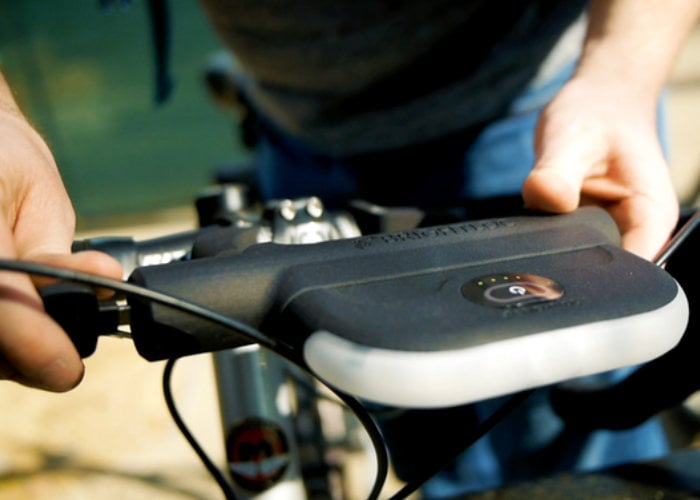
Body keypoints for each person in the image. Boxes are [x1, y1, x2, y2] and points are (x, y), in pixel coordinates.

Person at [0, 0, 698, 496]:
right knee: (418, 437)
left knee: (563, 450)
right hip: (298, 130)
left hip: (532, 134)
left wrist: (619, 77)